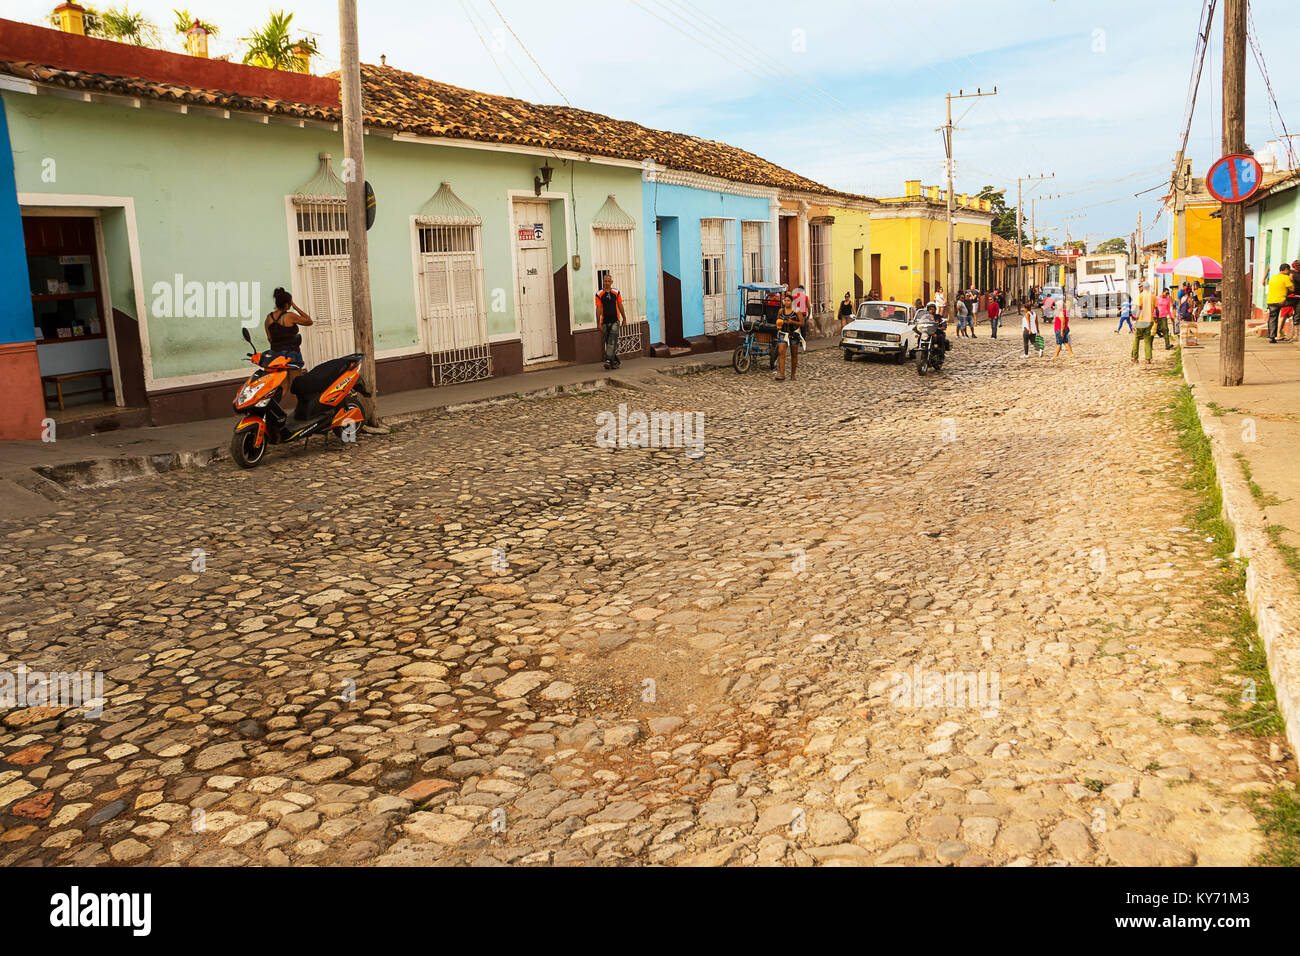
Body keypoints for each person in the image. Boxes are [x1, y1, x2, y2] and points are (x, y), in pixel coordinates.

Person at [265, 286, 311, 370]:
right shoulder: (290, 316)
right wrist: (295, 307)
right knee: (295, 379)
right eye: (290, 303)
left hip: (275, 354)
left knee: (281, 380)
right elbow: (309, 321)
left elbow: (269, 338)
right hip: (290, 353)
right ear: (286, 304)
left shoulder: (269, 318)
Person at [595, 273, 626, 370]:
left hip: (615, 321)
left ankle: (608, 360)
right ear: (603, 282)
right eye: (605, 281)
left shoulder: (616, 293)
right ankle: (615, 361)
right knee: (608, 342)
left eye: (609, 281)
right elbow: (598, 308)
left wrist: (624, 319)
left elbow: (620, 305)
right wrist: (598, 323)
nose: (607, 283)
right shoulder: (599, 294)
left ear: (611, 282)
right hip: (604, 321)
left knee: (612, 341)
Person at [773, 292, 805, 382]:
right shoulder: (781, 311)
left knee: (794, 354)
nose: (786, 302)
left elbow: (802, 323)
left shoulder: (797, 311)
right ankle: (782, 374)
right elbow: (777, 319)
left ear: (792, 302)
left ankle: (793, 374)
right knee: (781, 352)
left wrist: (792, 322)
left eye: (788, 301)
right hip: (783, 333)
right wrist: (779, 324)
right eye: (785, 300)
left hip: (794, 334)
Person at [1266, 263, 1293, 343]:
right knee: (1296, 302)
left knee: (1272, 317)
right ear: (1286, 270)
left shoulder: (1272, 277)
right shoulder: (1285, 277)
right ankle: (1296, 319)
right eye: (1289, 270)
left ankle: (1271, 337)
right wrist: (1291, 279)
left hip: (1270, 301)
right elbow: (1292, 289)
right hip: (1281, 301)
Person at [1132, 282, 1157, 364]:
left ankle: (1135, 358)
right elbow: (1157, 309)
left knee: (1137, 339)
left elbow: (1139, 309)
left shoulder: (1141, 295)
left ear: (1143, 287)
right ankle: (1148, 358)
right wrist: (1157, 319)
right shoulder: (1153, 296)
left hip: (1141, 320)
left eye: (1140, 287)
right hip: (1149, 320)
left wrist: (1135, 320)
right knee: (1147, 340)